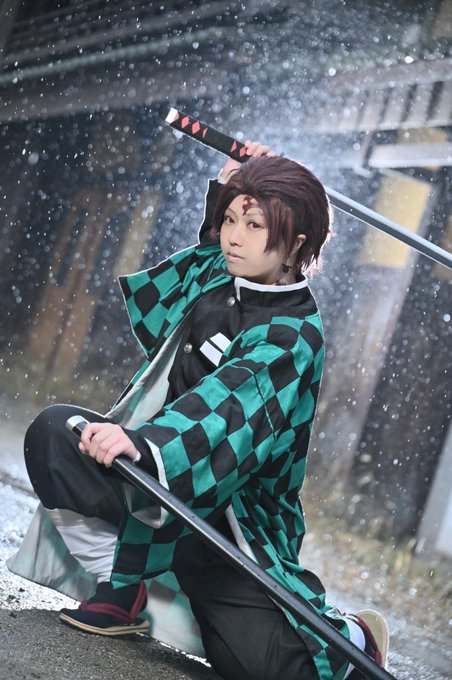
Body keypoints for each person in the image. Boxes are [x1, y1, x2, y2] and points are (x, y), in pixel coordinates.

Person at [17, 142, 389, 680]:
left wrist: (144, 444)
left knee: (258, 667)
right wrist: (231, 181)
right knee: (56, 434)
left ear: (296, 244)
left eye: (255, 226)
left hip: (230, 518)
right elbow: (185, 278)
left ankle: (353, 638)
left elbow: (226, 410)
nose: (234, 236)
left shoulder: (294, 334)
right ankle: (120, 584)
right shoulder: (219, 271)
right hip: (160, 482)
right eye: (231, 220)